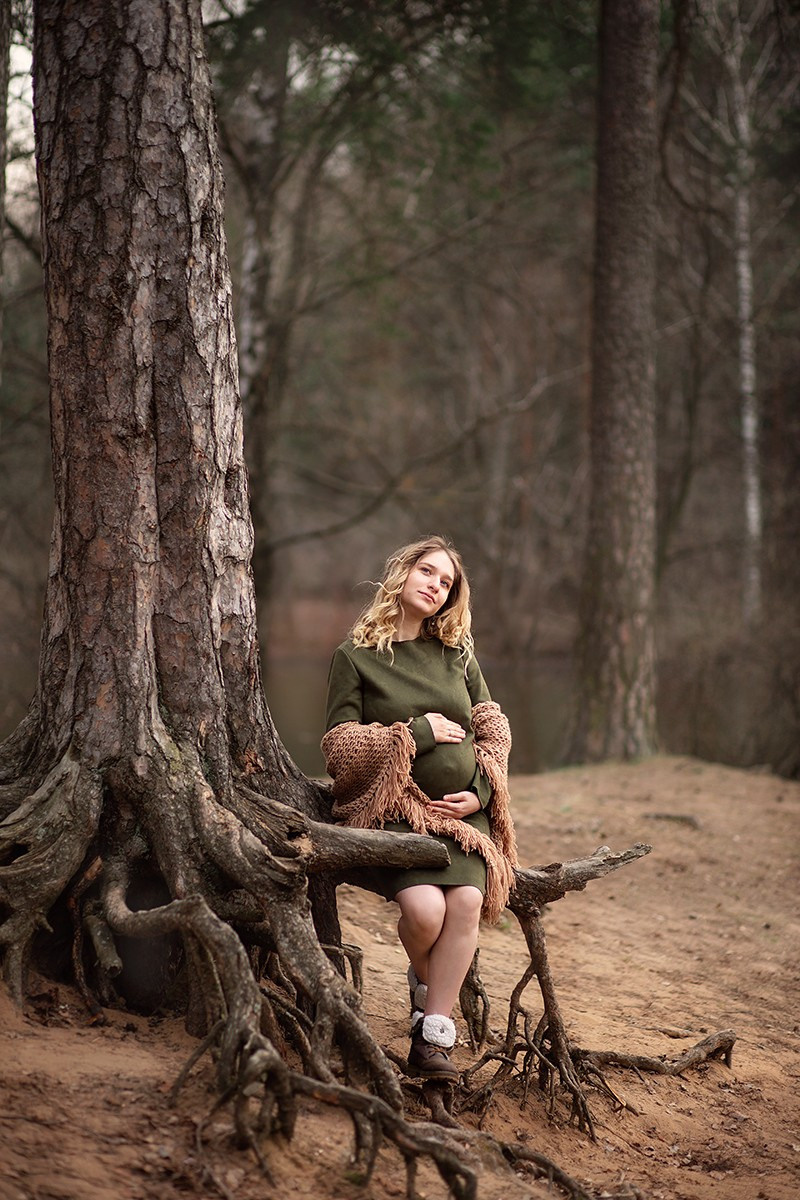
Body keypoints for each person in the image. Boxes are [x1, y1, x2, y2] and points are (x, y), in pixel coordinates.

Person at [322, 535, 517, 1082]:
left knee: (467, 904)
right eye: (428, 572)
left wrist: (482, 789)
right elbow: (339, 745)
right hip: (400, 807)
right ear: (402, 573)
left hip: (466, 817)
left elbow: (492, 727)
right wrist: (416, 734)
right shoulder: (355, 657)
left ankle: (432, 1038)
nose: (436, 585)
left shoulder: (457, 653)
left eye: (447, 582)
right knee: (427, 914)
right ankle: (423, 982)